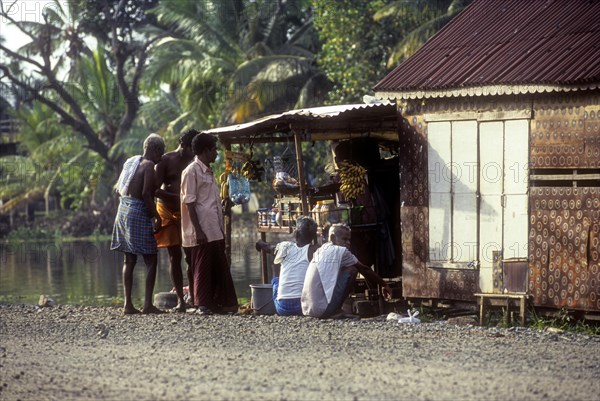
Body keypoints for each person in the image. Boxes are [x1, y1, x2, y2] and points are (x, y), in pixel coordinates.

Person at [180, 133, 238, 315]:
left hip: (214, 227)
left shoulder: (208, 171)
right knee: (203, 266)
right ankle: (203, 304)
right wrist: (197, 230)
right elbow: (189, 202)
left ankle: (219, 303)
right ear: (206, 151)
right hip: (202, 228)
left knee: (218, 264)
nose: (216, 154)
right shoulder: (191, 171)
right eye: (214, 150)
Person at [111, 133, 165, 315]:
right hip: (137, 211)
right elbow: (146, 194)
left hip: (123, 209)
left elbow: (121, 189)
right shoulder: (149, 165)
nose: (161, 157)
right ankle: (148, 305)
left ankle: (128, 305)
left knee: (129, 259)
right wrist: (157, 216)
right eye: (161, 152)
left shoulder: (132, 162)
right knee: (151, 258)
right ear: (155, 150)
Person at [301, 223, 391, 319]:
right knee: (353, 270)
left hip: (307, 309)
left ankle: (335, 309)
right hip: (322, 310)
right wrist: (384, 284)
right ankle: (336, 310)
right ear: (332, 238)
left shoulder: (321, 250)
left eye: (349, 240)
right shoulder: (341, 251)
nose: (348, 243)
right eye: (344, 239)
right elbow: (365, 270)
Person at [154, 129, 197, 312]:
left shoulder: (194, 163)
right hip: (167, 211)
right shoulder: (165, 160)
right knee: (174, 256)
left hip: (186, 211)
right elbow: (154, 189)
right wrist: (177, 196)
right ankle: (180, 300)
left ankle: (194, 297)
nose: (195, 154)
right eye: (193, 149)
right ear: (185, 146)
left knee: (191, 255)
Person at [255, 216, 319, 316]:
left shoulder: (285, 246)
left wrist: (259, 243)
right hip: (304, 306)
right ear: (313, 236)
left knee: (276, 266)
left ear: (296, 234)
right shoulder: (314, 250)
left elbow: (268, 247)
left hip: (283, 308)